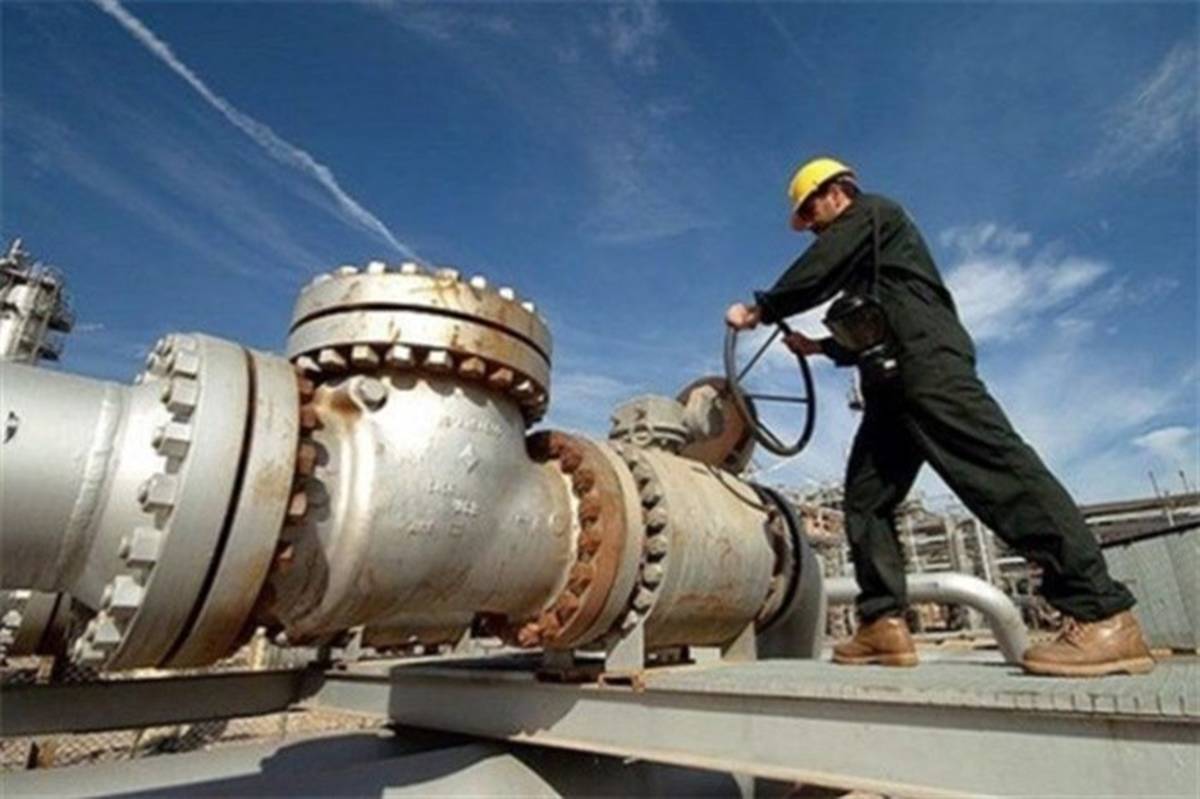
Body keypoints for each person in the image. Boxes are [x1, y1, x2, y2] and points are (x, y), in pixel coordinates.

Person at [725, 157, 1154, 677]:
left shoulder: (873, 214)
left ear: (837, 192)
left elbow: (821, 268)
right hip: (889, 384)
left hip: (927, 366)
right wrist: (819, 347)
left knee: (999, 475)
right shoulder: (869, 258)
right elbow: (873, 321)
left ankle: (1101, 612)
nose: (812, 227)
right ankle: (882, 623)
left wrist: (761, 311)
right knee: (866, 500)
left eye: (811, 212)